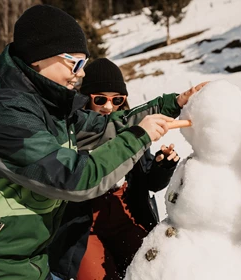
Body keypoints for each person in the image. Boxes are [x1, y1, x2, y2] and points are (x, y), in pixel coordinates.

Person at [0, 5, 206, 279]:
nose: (82, 73)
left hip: (30, 258)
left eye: (84, 63)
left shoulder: (47, 105)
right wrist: (140, 136)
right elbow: (74, 177)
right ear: (38, 58)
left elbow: (106, 127)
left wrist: (172, 104)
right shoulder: (5, 112)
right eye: (75, 63)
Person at [48, 58, 180, 280]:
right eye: (100, 99)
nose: (109, 107)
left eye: (117, 100)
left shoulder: (132, 129)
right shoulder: (70, 132)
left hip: (125, 214)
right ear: (84, 99)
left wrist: (162, 164)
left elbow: (151, 183)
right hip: (83, 227)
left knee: (153, 271)